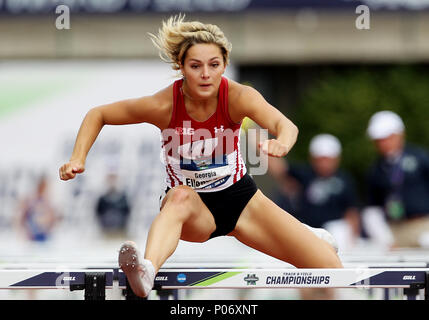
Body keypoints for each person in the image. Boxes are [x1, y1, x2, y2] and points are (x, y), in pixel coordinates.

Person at [59, 15, 342, 298]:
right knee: (179, 197)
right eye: (195, 66)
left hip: (241, 200)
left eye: (213, 65)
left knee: (332, 270)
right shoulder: (164, 105)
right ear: (181, 67)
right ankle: (147, 269)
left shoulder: (238, 97)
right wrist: (78, 158)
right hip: (193, 209)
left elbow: (286, 126)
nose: (205, 74)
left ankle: (306, 234)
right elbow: (99, 114)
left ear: (224, 66)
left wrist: (281, 142)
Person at [268, 134, 361, 252]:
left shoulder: (345, 180)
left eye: (328, 159)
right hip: (310, 230)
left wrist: (353, 239)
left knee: (340, 229)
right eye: (320, 159)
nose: (324, 164)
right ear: (313, 159)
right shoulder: (306, 175)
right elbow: (280, 169)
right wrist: (258, 139)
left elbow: (351, 212)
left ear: (336, 159)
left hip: (336, 233)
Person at [364, 110, 429, 248]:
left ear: (400, 134)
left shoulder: (420, 157)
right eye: (379, 140)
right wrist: (384, 237)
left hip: (423, 225)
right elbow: (372, 208)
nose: (383, 143)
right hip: (394, 230)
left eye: (387, 137)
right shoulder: (376, 169)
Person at [17, 175, 58, 242]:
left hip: (44, 237)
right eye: (45, 187)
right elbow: (22, 217)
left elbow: (52, 220)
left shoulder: (48, 203)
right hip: (32, 237)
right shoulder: (31, 200)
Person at [95, 172, 131, 238]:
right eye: (110, 180)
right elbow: (98, 214)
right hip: (106, 233)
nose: (112, 182)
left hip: (120, 233)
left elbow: (127, 214)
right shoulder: (102, 199)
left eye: (114, 180)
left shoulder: (123, 198)